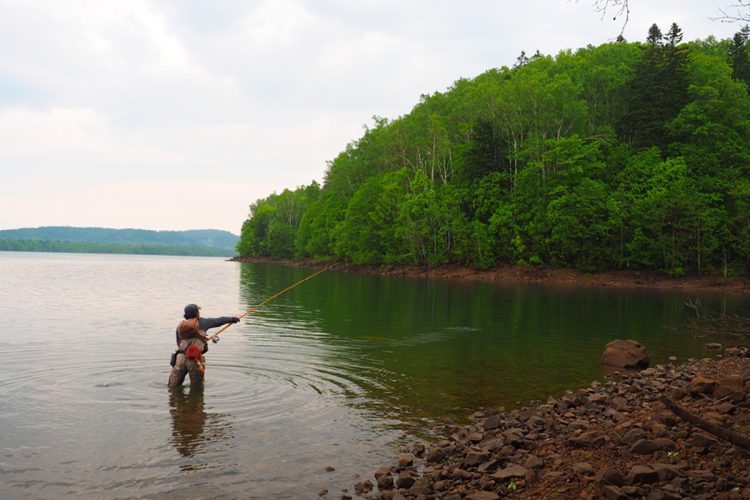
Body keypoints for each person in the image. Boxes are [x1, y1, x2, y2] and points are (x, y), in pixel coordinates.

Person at [168, 303, 239, 388]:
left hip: (180, 358)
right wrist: (232, 319)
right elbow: (218, 321)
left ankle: (176, 400)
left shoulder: (180, 326)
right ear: (197, 313)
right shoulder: (203, 322)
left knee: (173, 387)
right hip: (195, 360)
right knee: (197, 389)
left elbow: (178, 343)